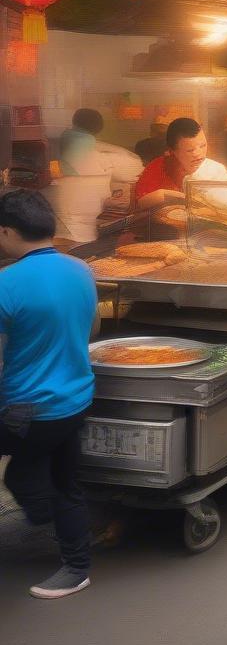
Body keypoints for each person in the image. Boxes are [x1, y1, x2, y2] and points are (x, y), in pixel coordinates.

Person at [0, 190, 97, 599]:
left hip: (27, 413)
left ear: (6, 231)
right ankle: (75, 566)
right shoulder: (81, 269)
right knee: (61, 482)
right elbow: (91, 332)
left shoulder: (6, 283)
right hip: (76, 399)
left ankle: (41, 516)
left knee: (31, 473)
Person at [134, 117, 227, 210]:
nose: (198, 154)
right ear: (172, 151)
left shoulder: (216, 171)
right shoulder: (159, 166)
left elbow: (225, 210)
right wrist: (167, 195)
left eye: (203, 146)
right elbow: (141, 203)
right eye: (190, 150)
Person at [57, 109, 104, 177]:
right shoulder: (88, 139)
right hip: (78, 176)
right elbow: (90, 163)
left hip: (65, 171)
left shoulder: (66, 134)